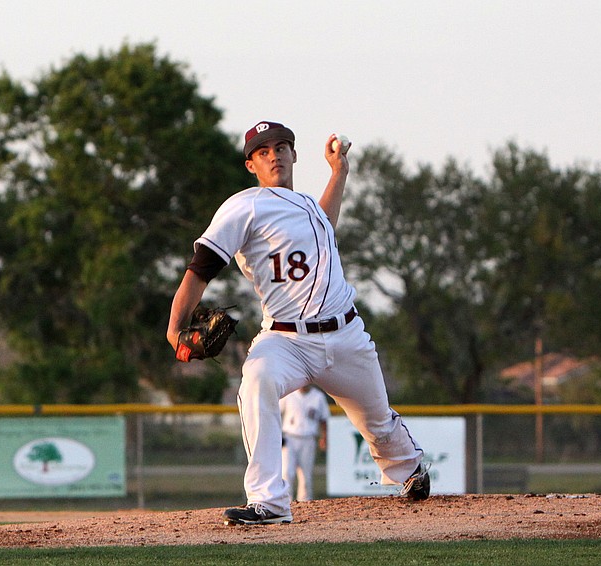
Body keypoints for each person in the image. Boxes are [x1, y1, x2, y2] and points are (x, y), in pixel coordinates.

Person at [166, 120, 429, 526]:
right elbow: (200, 267)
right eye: (263, 151)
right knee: (256, 381)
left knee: (377, 421)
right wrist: (174, 328)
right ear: (251, 164)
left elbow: (324, 225)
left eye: (281, 147)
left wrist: (339, 173)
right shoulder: (245, 205)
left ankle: (409, 469)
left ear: (293, 155)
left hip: (346, 337)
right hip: (286, 340)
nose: (274, 154)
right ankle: (269, 501)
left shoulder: (308, 207)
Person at [280, 384, 330, 502]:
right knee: (287, 472)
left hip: (308, 438)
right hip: (289, 437)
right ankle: (285, 502)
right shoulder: (289, 394)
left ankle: (305, 503)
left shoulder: (318, 397)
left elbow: (324, 419)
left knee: (305, 475)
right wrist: (278, 435)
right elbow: (275, 413)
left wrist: (324, 437)